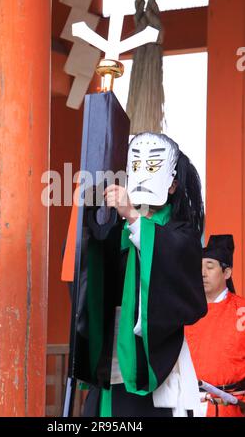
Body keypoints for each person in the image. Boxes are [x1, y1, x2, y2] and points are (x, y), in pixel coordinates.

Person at [82, 132, 207, 417]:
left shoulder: (180, 234)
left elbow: (176, 272)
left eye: (151, 167)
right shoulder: (117, 227)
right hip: (109, 354)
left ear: (173, 184)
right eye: (135, 166)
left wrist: (133, 217)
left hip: (154, 358)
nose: (141, 175)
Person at [185, 235, 245, 417]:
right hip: (187, 404)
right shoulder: (184, 311)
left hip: (231, 406)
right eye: (199, 267)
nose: (202, 273)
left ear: (226, 273)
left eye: (210, 267)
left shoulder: (242, 311)